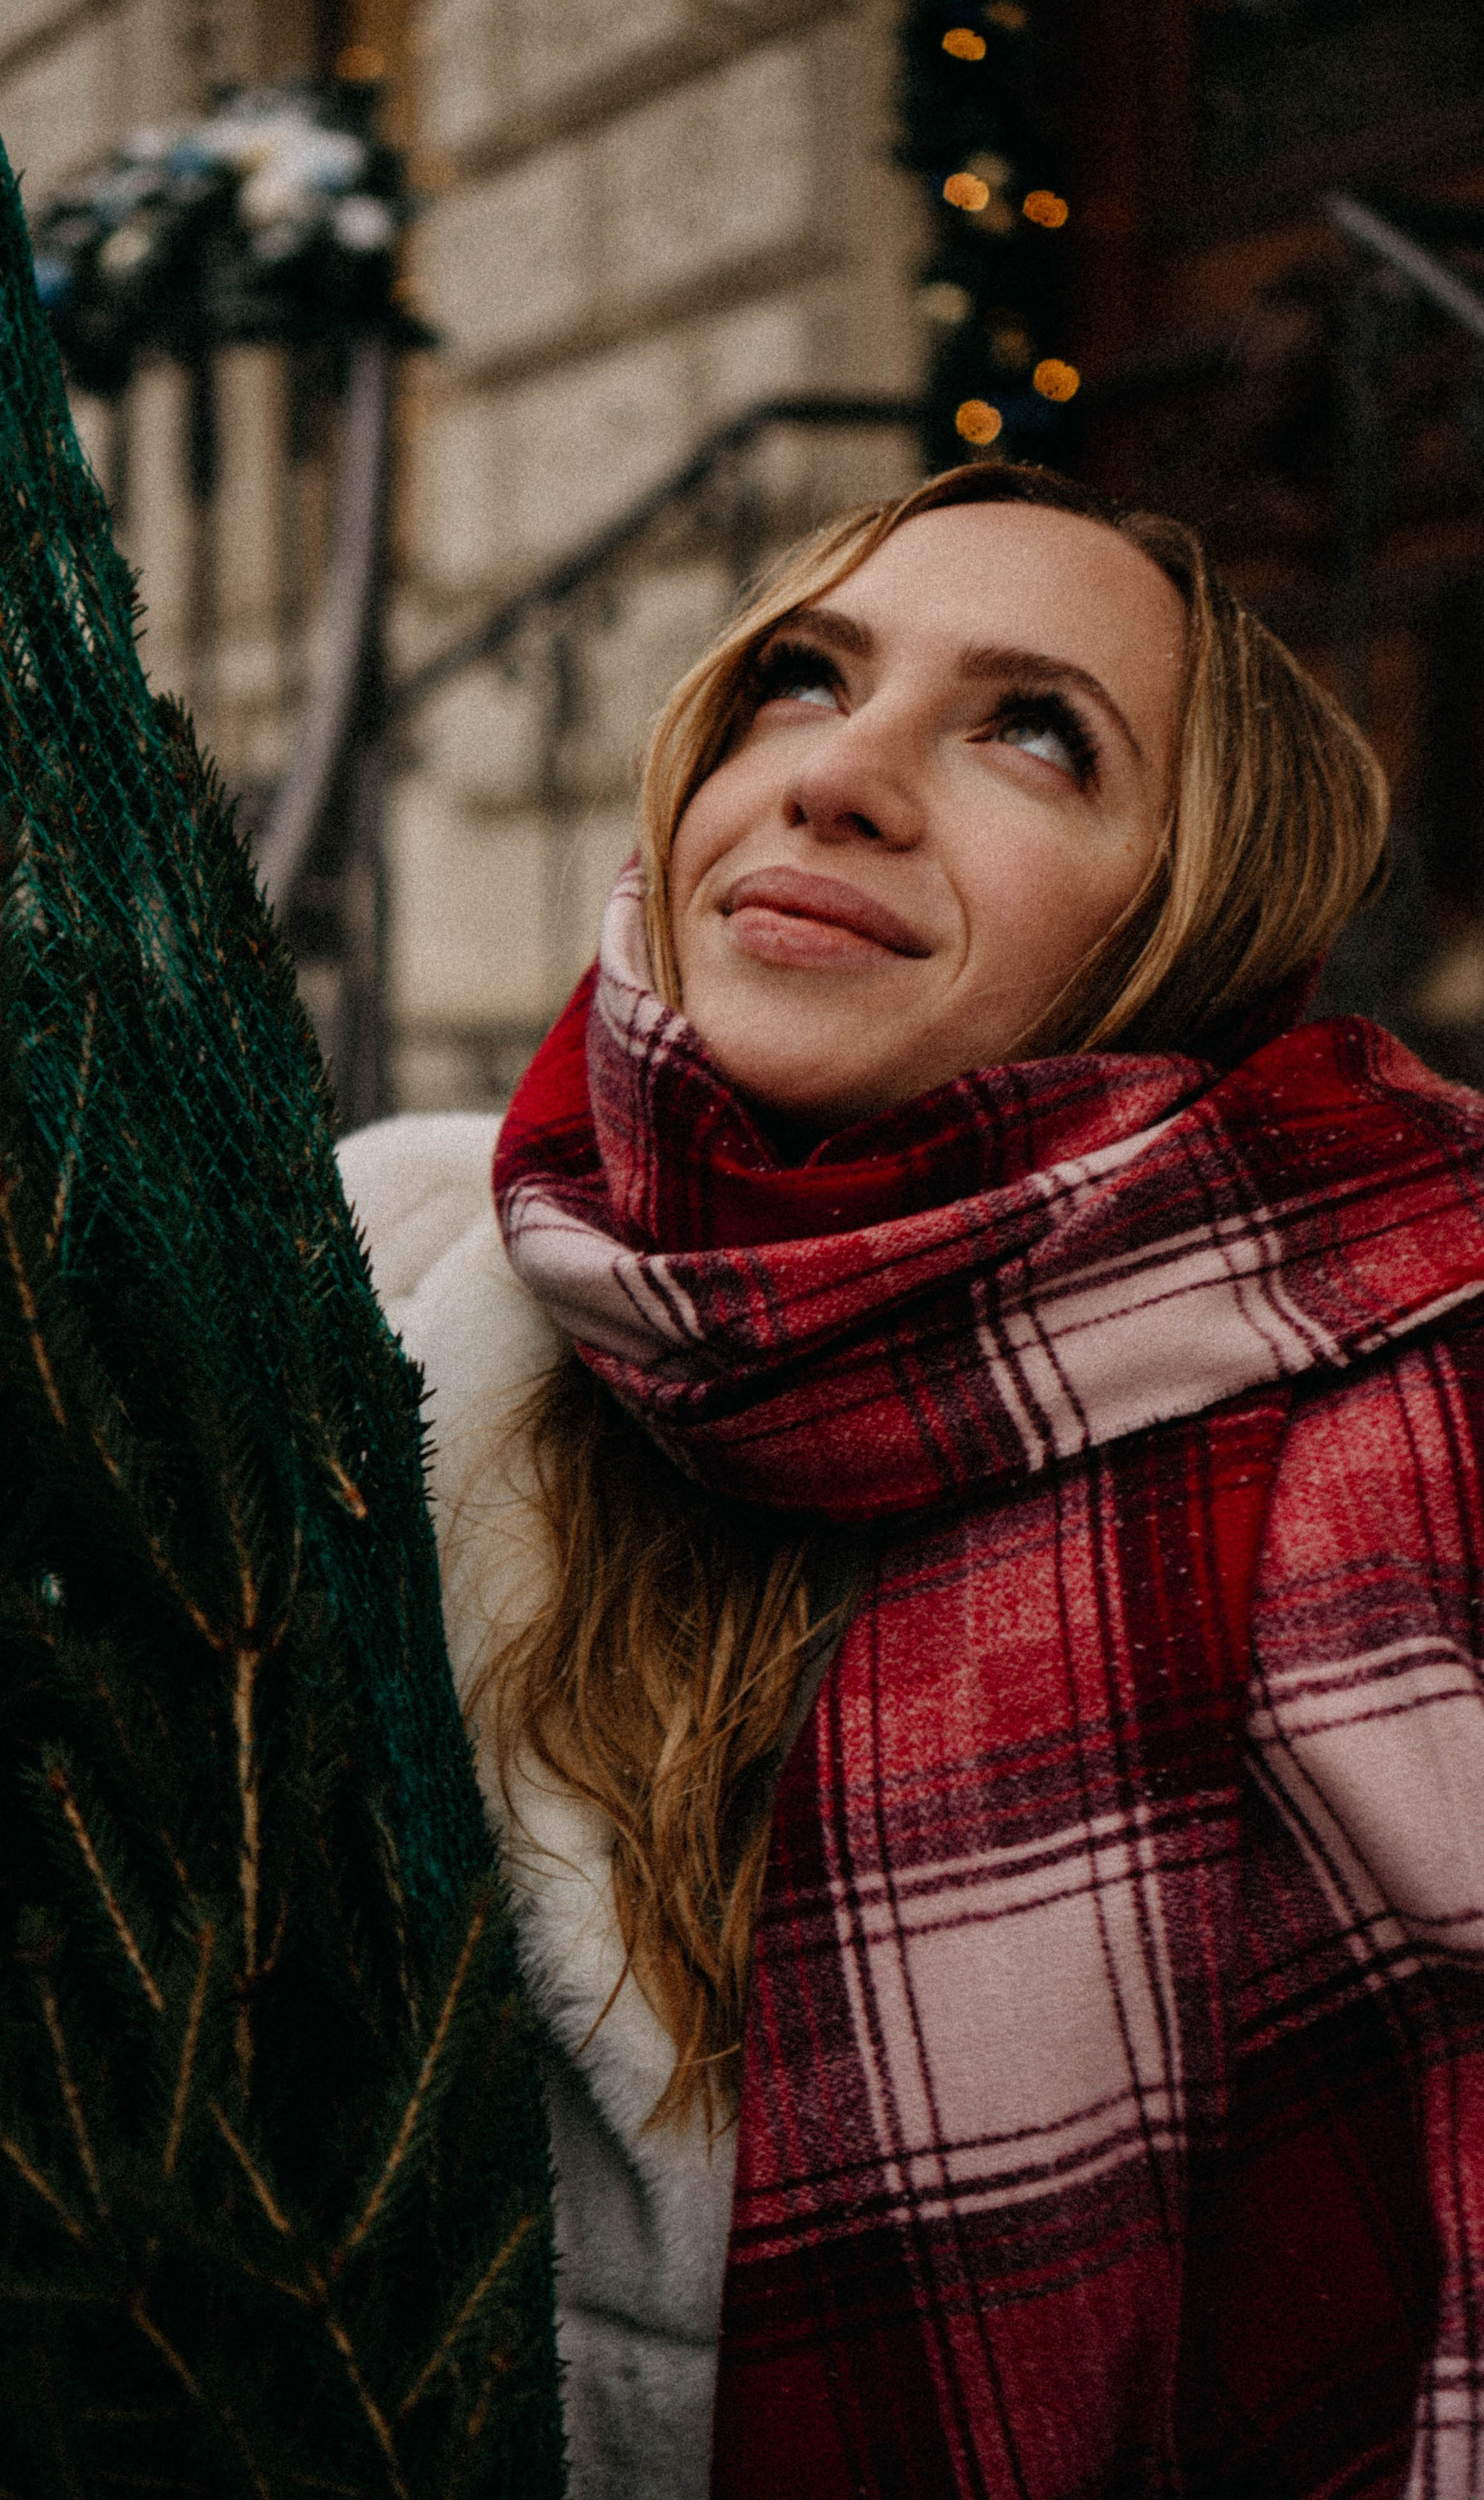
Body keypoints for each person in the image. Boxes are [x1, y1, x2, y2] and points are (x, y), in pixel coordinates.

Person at [338, 462, 1484, 2500]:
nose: (839, 779)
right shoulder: (393, 1283)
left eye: (1036, 735)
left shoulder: (1393, 1408)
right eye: (798, 680)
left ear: (1189, 923)